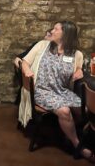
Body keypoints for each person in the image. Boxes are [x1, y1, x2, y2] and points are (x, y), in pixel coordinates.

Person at [20, 21, 93, 162]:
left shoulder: (76, 54)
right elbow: (25, 61)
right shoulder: (43, 45)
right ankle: (78, 146)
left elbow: (79, 68)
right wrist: (27, 70)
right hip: (43, 91)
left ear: (66, 34)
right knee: (64, 111)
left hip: (63, 91)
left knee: (84, 109)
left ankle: (70, 133)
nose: (52, 31)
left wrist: (79, 71)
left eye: (56, 29)